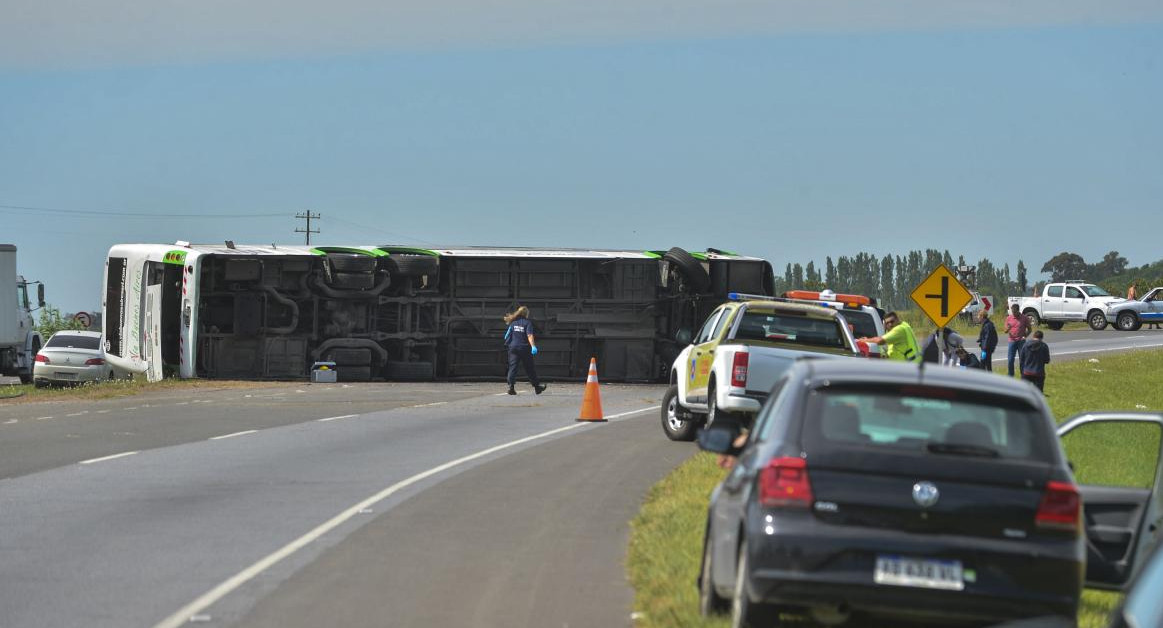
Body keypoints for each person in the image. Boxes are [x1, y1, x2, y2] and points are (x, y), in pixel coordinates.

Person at [502, 306, 546, 395]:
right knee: (530, 368)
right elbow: (529, 335)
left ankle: (511, 387)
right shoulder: (527, 323)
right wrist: (533, 346)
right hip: (524, 348)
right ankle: (537, 387)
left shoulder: (513, 323)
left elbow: (506, 336)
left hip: (513, 348)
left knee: (513, 368)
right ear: (526, 314)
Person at [1004, 303, 1030, 378]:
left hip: (1021, 341)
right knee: (1010, 360)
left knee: (1022, 359)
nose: (1013, 314)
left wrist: (1025, 336)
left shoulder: (1024, 318)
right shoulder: (1009, 318)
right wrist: (1008, 328)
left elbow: (1029, 329)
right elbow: (1005, 331)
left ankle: (1023, 375)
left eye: (1015, 312)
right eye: (1012, 312)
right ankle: (1010, 375)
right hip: (1012, 341)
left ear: (1018, 311)